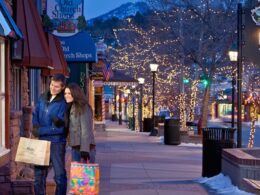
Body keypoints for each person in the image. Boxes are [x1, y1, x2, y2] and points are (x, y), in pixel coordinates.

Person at [32, 74, 67, 195]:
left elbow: (61, 128)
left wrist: (41, 130)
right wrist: (35, 126)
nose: (53, 88)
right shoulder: (42, 97)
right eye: (52, 85)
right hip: (41, 142)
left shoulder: (64, 103)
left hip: (56, 143)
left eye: (57, 87)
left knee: (59, 176)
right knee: (38, 176)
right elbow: (35, 113)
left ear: (62, 87)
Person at [64, 83, 96, 163]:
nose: (66, 95)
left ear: (75, 94)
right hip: (76, 147)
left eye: (69, 93)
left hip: (84, 148)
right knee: (77, 175)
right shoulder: (70, 106)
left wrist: (84, 150)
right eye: (65, 93)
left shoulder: (83, 107)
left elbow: (86, 129)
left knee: (85, 175)